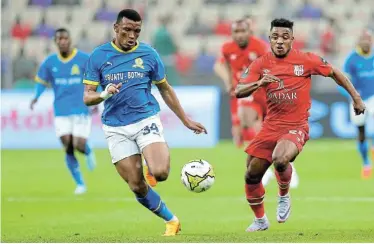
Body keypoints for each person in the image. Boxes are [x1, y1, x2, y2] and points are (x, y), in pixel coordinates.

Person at [82, 9, 206, 236]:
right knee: (136, 185)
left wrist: (186, 120)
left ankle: (151, 159)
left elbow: (165, 89)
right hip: (115, 127)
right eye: (127, 30)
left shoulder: (149, 54)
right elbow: (87, 96)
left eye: (137, 31)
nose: (132, 35)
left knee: (160, 173)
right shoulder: (99, 56)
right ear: (116, 28)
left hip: (145, 119)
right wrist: (104, 94)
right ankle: (172, 221)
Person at [235, 18, 365, 232]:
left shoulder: (306, 60)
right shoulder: (261, 63)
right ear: (269, 38)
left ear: (292, 40)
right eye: (275, 37)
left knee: (279, 158)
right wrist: (260, 83)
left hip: (296, 125)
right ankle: (260, 221)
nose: (279, 41)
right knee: (251, 174)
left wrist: (356, 98)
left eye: (285, 37)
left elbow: (335, 73)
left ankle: (284, 194)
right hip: (270, 126)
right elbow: (239, 90)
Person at [30, 28, 96, 195]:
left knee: (78, 144)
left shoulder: (83, 59)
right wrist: (36, 97)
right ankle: (80, 184)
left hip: (81, 108)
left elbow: (95, 78)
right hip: (61, 110)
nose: (62, 41)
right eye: (59, 38)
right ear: (55, 41)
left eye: (65, 38)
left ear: (70, 39)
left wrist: (96, 99)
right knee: (67, 144)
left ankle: (87, 150)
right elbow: (41, 82)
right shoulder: (50, 62)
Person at [213, 19, 267, 147]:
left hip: (261, 91)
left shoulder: (259, 46)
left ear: (250, 32)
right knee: (242, 121)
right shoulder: (227, 48)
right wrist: (228, 80)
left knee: (268, 127)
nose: (240, 35)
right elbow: (219, 66)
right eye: (236, 31)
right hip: (242, 91)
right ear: (231, 33)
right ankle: (253, 151)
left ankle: (267, 151)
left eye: (243, 31)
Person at [339, 29, 374, 179]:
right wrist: (352, 97)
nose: (366, 41)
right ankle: (366, 163)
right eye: (363, 39)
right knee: (361, 132)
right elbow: (343, 81)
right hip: (358, 99)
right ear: (359, 41)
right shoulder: (351, 59)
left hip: (373, 97)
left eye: (368, 39)